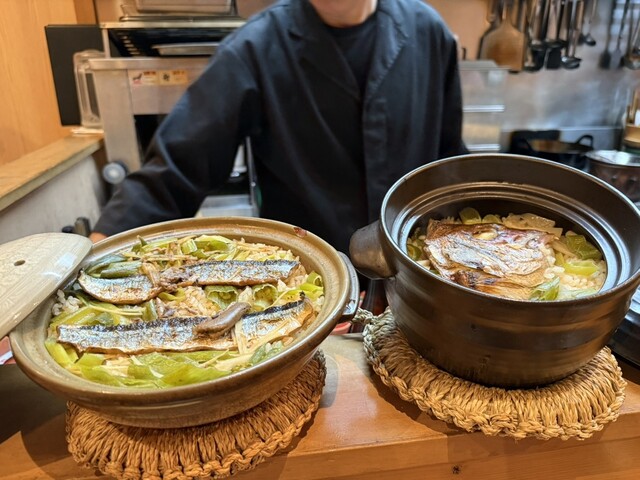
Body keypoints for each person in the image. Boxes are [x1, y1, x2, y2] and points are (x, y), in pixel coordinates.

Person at [90, 0, 467, 255]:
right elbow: (177, 167)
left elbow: (452, 163)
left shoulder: (428, 33)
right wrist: (94, 252)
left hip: (416, 275)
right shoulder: (255, 47)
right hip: (306, 286)